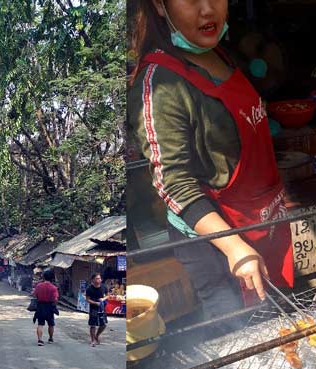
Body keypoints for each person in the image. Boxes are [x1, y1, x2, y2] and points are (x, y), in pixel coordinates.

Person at [128, 0, 293, 324]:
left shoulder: (219, 54)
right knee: (244, 342)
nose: (207, 9)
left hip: (262, 225)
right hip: (215, 247)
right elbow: (173, 183)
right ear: (160, 7)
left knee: (278, 323)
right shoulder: (159, 84)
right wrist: (233, 248)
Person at [32, 269, 59, 346]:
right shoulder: (53, 288)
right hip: (49, 307)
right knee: (51, 324)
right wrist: (54, 305)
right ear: (52, 278)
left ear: (44, 277)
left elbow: (34, 295)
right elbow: (56, 299)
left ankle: (40, 340)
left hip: (40, 306)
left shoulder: (39, 286)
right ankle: (50, 338)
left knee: (40, 324)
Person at [86, 273, 108, 347]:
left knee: (104, 324)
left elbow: (108, 295)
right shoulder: (89, 289)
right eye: (97, 278)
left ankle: (97, 335)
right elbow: (88, 299)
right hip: (93, 308)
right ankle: (92, 340)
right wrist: (95, 303)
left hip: (102, 307)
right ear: (93, 280)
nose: (99, 280)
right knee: (93, 325)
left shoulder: (103, 287)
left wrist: (103, 299)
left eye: (99, 278)